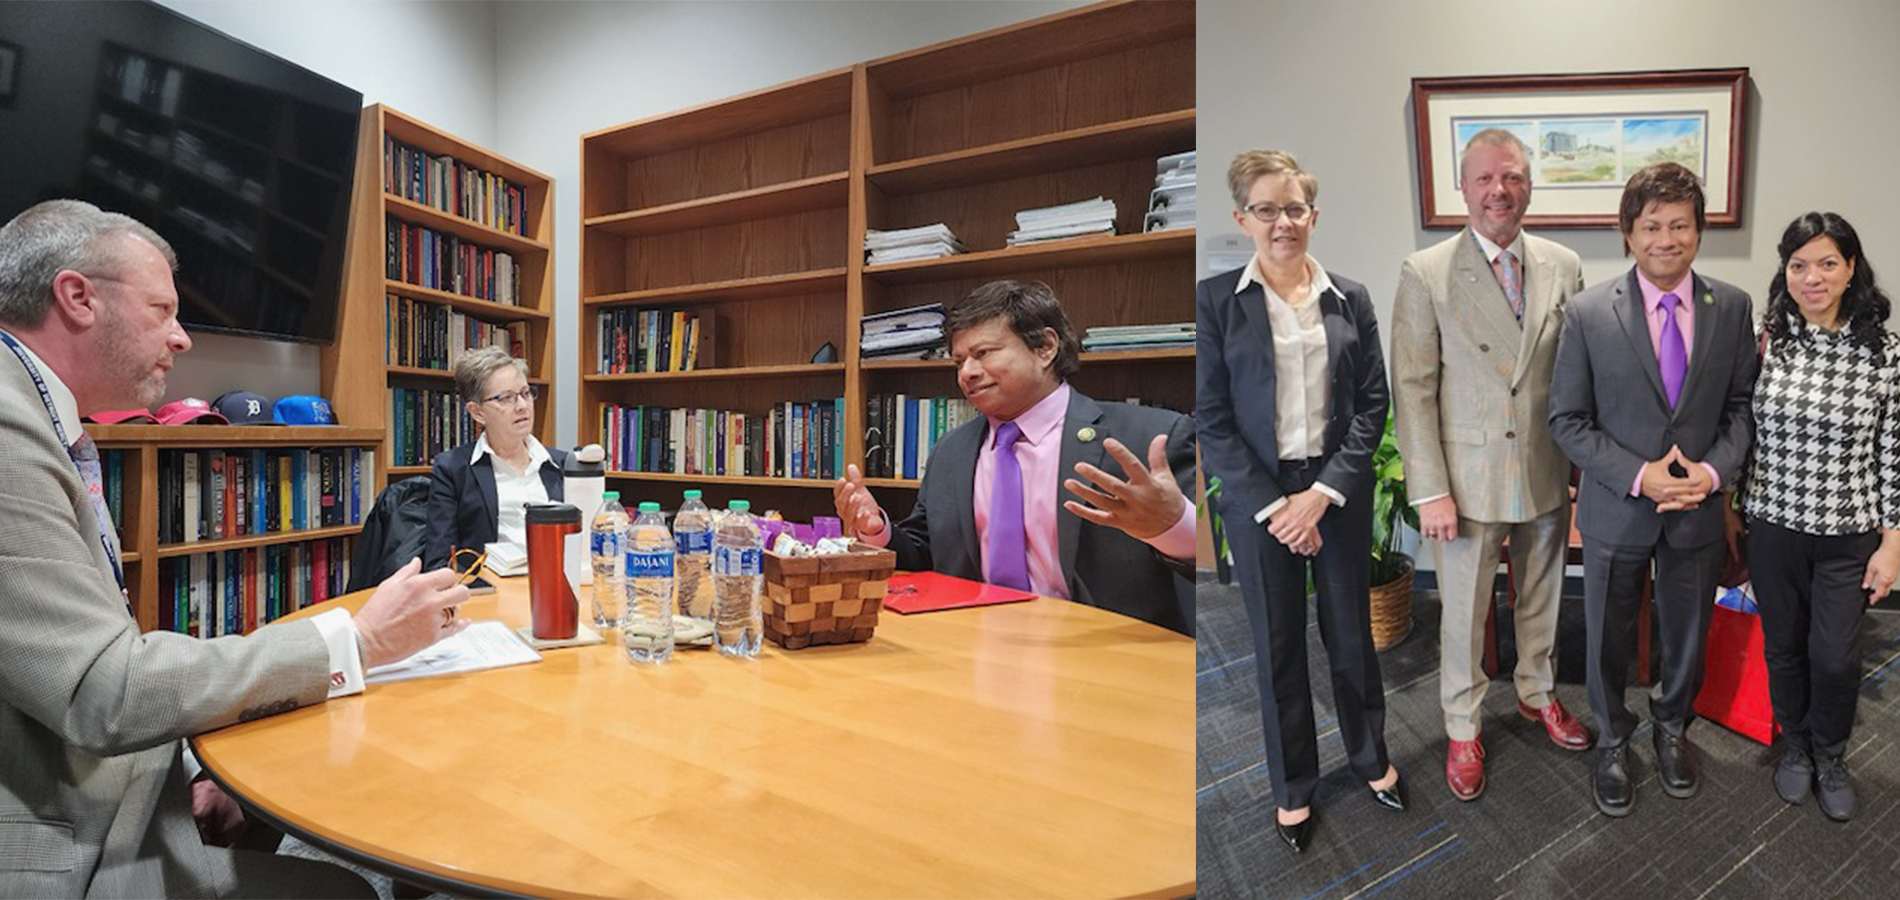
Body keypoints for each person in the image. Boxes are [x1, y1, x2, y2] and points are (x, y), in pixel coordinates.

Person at [0, 199, 471, 896]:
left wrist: (194, 768)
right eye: (162, 309)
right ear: (77, 298)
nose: (182, 337)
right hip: (65, 841)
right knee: (342, 889)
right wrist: (356, 641)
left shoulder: (38, 413)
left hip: (108, 779)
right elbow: (101, 688)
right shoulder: (9, 431)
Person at [1197, 150, 1404, 853]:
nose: (1282, 222)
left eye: (1294, 209)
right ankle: (1293, 786)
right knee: (1277, 643)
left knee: (1350, 634)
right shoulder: (1215, 301)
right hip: (1258, 493)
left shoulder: (1351, 296)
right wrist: (1277, 507)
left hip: (1335, 486)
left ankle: (1371, 757)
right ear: (1242, 219)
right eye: (1266, 209)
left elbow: (1374, 405)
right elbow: (1212, 416)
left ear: (1313, 216)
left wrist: (1319, 495)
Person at [1548, 163, 1757, 818]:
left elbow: (1744, 409)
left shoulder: (1732, 307)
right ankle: (1612, 736)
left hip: (1698, 510)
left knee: (1687, 632)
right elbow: (1567, 421)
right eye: (1652, 226)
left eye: (1680, 225)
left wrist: (1712, 473)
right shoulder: (1587, 312)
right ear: (1628, 233)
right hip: (1618, 509)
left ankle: (1673, 727)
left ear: (1699, 230)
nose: (1667, 239)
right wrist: (1640, 476)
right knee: (1606, 633)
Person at [1391, 129, 1591, 802]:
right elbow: (1413, 389)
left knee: (1543, 599)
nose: (1499, 191)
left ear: (1528, 184)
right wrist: (1430, 491)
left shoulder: (1563, 264)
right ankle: (1462, 725)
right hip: (1466, 483)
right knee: (1463, 615)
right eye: (1484, 179)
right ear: (1464, 188)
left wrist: (1580, 467)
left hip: (1543, 467)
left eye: (1511, 177)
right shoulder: (1427, 271)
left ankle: (1538, 695)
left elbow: (1574, 377)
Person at [830, 279, 1195, 635]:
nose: (967, 373)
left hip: (1113, 663)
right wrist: (876, 531)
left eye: (983, 353)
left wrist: (1174, 526)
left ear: (1045, 348)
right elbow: (927, 555)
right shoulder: (951, 451)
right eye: (958, 361)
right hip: (976, 654)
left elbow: (1230, 563)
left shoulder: (1149, 439)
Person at [1744, 211, 1900, 822]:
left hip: (1849, 534)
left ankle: (1831, 753)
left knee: (1834, 655)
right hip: (1774, 526)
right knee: (1783, 646)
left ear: (1851, 268)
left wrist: (1893, 540)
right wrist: (1735, 512)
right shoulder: (1766, 339)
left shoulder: (1884, 352)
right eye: (1799, 265)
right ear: (1786, 272)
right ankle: (1798, 745)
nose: (1813, 277)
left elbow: (1894, 450)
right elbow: (1743, 435)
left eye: (1827, 263)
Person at [423, 345, 571, 571]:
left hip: (556, 589)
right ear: (477, 412)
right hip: (491, 596)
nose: (522, 406)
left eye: (525, 393)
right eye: (506, 398)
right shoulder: (453, 469)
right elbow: (439, 561)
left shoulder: (563, 464)